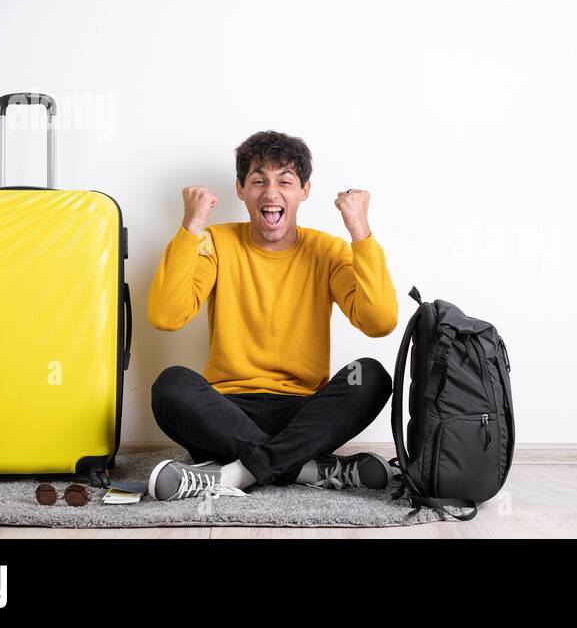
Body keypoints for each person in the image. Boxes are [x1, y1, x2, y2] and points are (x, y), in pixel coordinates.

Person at [144, 131, 398, 501]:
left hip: (302, 412)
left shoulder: (328, 251)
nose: (270, 192)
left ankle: (235, 473)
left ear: (304, 190)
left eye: (285, 181)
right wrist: (190, 227)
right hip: (227, 412)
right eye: (258, 180)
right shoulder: (214, 243)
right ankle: (307, 467)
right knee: (171, 386)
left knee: (371, 376)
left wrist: (360, 232)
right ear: (241, 189)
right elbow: (165, 316)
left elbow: (380, 322)